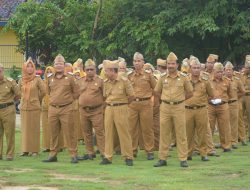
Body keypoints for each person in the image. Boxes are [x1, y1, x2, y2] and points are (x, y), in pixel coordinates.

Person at [154, 52, 193, 168]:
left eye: (173, 64)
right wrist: (164, 100)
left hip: (179, 107)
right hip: (165, 107)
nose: (170, 66)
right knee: (164, 134)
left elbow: (190, 93)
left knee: (181, 133)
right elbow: (156, 92)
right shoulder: (162, 78)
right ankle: (162, 159)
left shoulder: (184, 78)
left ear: (177, 65)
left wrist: (180, 100)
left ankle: (183, 159)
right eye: (169, 64)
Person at [42, 54, 80, 163]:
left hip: (66, 108)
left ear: (64, 65)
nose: (58, 65)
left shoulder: (70, 77)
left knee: (70, 133)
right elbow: (48, 92)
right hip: (53, 109)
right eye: (56, 64)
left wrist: (68, 101)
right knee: (53, 133)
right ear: (54, 65)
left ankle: (73, 154)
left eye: (60, 64)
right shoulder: (50, 78)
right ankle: (53, 154)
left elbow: (77, 92)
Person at [100, 60, 134, 166]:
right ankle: (108, 156)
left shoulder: (124, 80)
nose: (105, 73)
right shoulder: (105, 82)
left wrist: (123, 104)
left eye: (107, 70)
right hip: (109, 108)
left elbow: (132, 96)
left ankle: (128, 157)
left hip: (121, 107)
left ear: (113, 71)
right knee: (108, 133)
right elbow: (104, 96)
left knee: (124, 133)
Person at [128, 52, 156, 160]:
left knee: (147, 128)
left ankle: (149, 151)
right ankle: (133, 150)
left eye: (139, 61)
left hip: (146, 104)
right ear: (133, 63)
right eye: (135, 61)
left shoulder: (148, 75)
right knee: (132, 128)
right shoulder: (129, 76)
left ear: (143, 62)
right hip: (133, 104)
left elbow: (156, 89)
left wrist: (151, 100)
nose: (137, 63)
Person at [185, 57, 214, 161]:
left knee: (202, 132)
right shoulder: (185, 80)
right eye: (194, 68)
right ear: (190, 68)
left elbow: (211, 95)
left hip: (201, 109)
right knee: (188, 133)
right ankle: (188, 153)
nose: (196, 70)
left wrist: (203, 102)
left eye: (198, 68)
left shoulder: (205, 80)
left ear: (200, 69)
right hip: (187, 109)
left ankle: (203, 153)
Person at [77, 59, 105, 160]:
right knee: (86, 132)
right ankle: (90, 152)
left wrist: (102, 108)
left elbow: (104, 96)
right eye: (87, 69)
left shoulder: (100, 81)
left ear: (95, 70)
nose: (89, 71)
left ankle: (103, 152)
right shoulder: (80, 81)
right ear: (84, 69)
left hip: (96, 110)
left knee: (99, 132)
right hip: (83, 110)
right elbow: (76, 94)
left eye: (91, 69)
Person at [19, 58, 46, 156]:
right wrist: (21, 100)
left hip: (34, 107)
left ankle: (34, 150)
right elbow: (18, 92)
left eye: (31, 66)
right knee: (25, 129)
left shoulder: (37, 79)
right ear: (24, 68)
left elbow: (44, 91)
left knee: (34, 128)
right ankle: (25, 150)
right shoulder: (21, 79)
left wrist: (37, 99)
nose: (29, 68)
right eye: (27, 66)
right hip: (24, 107)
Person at [207, 62, 233, 152]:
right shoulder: (208, 80)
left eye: (221, 72)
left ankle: (226, 146)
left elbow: (230, 93)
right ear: (214, 71)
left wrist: (224, 100)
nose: (220, 74)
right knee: (209, 127)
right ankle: (209, 147)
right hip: (210, 106)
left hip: (223, 106)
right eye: (218, 72)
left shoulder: (227, 81)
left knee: (224, 126)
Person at [0, 63, 20, 161]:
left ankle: (9, 154)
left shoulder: (10, 82)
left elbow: (18, 94)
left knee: (9, 133)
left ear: (3, 71)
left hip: (8, 109)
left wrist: (11, 102)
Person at [224, 61, 245, 149]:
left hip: (233, 104)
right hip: (224, 104)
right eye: (227, 70)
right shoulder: (222, 80)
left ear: (233, 70)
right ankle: (226, 141)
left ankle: (233, 142)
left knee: (234, 123)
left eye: (230, 70)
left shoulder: (236, 80)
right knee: (225, 123)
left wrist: (236, 97)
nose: (228, 71)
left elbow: (242, 91)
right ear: (224, 70)